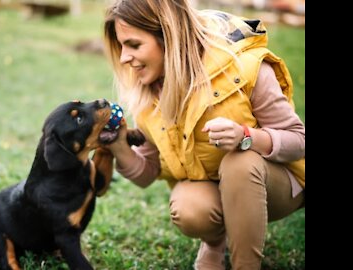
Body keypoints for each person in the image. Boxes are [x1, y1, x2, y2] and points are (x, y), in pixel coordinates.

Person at [102, 0, 305, 269]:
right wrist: (118, 146)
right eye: (122, 46)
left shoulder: (244, 68)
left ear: (169, 36)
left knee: (239, 162)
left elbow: (298, 140)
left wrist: (247, 137)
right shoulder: (150, 92)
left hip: (279, 184)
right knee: (190, 209)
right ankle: (214, 242)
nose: (125, 58)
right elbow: (148, 171)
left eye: (134, 45)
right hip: (214, 184)